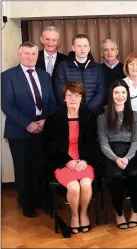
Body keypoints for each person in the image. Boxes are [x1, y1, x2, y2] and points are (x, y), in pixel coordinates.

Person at [1, 41, 56, 217]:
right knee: (24, 169)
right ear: (19, 55)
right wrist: (28, 124)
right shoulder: (7, 76)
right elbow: (7, 104)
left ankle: (41, 200)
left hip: (43, 128)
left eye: (33, 54)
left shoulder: (44, 75)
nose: (30, 57)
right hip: (20, 131)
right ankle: (27, 204)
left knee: (41, 167)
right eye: (26, 53)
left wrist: (45, 120)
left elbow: (52, 101)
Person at [43, 81, 99, 234]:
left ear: (82, 98)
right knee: (74, 186)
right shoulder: (54, 119)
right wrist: (67, 161)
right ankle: (74, 216)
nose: (73, 99)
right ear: (64, 98)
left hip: (84, 161)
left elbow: (94, 143)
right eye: (69, 95)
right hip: (63, 162)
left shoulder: (89, 116)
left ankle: (84, 214)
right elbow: (49, 146)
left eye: (76, 95)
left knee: (86, 184)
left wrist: (85, 160)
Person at [97, 79, 137, 229]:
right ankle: (119, 213)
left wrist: (127, 158)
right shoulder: (102, 117)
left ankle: (135, 211)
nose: (120, 95)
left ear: (127, 95)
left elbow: (136, 141)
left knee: (135, 175)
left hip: (131, 152)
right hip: (111, 153)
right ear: (111, 95)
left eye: (123, 92)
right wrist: (116, 159)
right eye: (116, 92)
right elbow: (103, 143)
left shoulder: (135, 116)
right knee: (115, 178)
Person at [54, 34, 106, 115]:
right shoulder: (63, 66)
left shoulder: (98, 68)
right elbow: (59, 91)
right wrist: (74, 109)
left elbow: (101, 92)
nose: (82, 49)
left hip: (92, 114)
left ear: (89, 48)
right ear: (73, 48)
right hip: (70, 114)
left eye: (85, 46)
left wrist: (88, 110)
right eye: (79, 46)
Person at [36, 26, 68, 101]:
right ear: (41, 39)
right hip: (38, 104)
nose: (50, 43)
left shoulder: (66, 60)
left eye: (54, 40)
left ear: (58, 42)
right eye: (47, 39)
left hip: (60, 104)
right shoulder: (32, 57)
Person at [101, 38, 126, 105]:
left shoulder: (125, 69)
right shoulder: (98, 70)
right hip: (103, 108)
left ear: (117, 52)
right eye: (106, 50)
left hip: (122, 107)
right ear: (102, 53)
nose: (109, 52)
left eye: (112, 49)